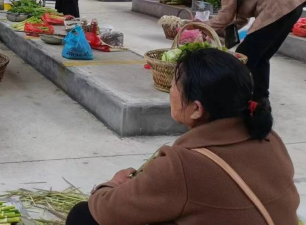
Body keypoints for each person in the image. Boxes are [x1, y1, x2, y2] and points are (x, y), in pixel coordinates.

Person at [68, 48, 299, 225]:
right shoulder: (268, 136)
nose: (171, 91)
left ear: (197, 109)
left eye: (175, 85)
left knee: (83, 216)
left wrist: (113, 184)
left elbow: (109, 210)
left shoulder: (182, 166)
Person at [201, 0, 306, 100]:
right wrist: (217, 37)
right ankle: (260, 97)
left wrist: (203, 26)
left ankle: (228, 98)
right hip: (293, 4)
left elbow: (225, 16)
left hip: (278, 5)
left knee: (244, 55)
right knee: (261, 56)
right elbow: (239, 19)